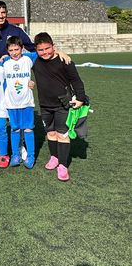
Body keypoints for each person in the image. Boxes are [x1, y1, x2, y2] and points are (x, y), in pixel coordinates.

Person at [33, 32, 88, 181]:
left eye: (47, 48)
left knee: (62, 135)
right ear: (36, 50)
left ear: (53, 46)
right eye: (41, 50)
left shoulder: (64, 60)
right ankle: (54, 157)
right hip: (45, 105)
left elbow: (76, 80)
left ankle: (63, 165)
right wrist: (3, 57)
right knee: (50, 133)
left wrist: (81, 98)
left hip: (63, 105)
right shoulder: (35, 61)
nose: (45, 52)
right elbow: (16, 55)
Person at [2, 36, 37, 168]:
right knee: (15, 129)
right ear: (7, 51)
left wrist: (60, 53)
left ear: (22, 48)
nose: (14, 53)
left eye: (17, 49)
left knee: (28, 128)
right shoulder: (5, 62)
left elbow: (42, 52)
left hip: (27, 102)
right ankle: (15, 155)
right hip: (11, 104)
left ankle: (31, 156)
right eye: (11, 50)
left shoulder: (28, 59)